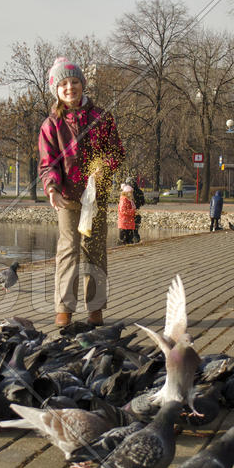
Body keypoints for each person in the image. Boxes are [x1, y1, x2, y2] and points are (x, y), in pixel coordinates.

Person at [38, 57, 125, 328]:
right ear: (57, 90)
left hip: (94, 197)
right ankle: (64, 308)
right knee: (68, 250)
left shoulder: (101, 118)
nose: (70, 88)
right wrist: (51, 188)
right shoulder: (51, 124)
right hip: (66, 197)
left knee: (95, 251)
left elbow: (116, 152)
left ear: (82, 84)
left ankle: (95, 309)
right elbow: (48, 162)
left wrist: (103, 168)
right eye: (63, 84)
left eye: (74, 82)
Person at [126, 175, 145, 243]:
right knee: (135, 229)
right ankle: (136, 241)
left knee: (129, 229)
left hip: (129, 212)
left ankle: (129, 241)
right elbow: (143, 202)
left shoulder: (128, 191)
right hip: (137, 211)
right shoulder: (139, 191)